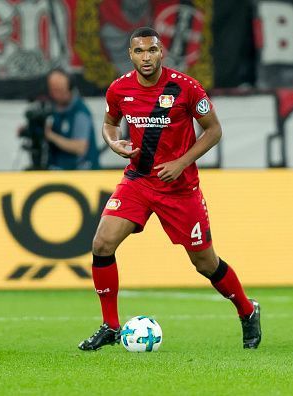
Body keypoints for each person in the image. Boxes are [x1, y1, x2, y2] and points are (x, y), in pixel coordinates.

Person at [78, 27, 261, 351]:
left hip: (179, 188)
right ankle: (110, 325)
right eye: (139, 52)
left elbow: (214, 131)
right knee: (102, 243)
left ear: (162, 52)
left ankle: (247, 310)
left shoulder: (185, 88)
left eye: (151, 50)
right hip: (138, 180)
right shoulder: (119, 89)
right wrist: (113, 141)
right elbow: (109, 123)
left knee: (205, 263)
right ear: (131, 55)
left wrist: (181, 162)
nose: (146, 57)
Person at [44, 69, 100, 170]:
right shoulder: (51, 108)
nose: (55, 94)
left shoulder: (80, 113)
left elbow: (80, 147)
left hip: (81, 173)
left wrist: (51, 136)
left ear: (69, 88)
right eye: (52, 90)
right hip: (59, 169)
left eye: (59, 90)